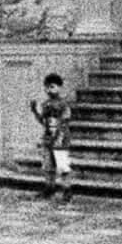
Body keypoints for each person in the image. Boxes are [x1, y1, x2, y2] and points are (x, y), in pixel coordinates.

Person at [30, 72, 73, 203]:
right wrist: (35, 111)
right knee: (48, 165)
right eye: (47, 87)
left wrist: (58, 135)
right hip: (48, 137)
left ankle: (67, 190)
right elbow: (43, 121)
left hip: (60, 137)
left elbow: (65, 121)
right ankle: (49, 187)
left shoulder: (63, 105)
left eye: (52, 87)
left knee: (62, 165)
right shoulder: (45, 104)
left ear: (59, 87)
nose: (49, 90)